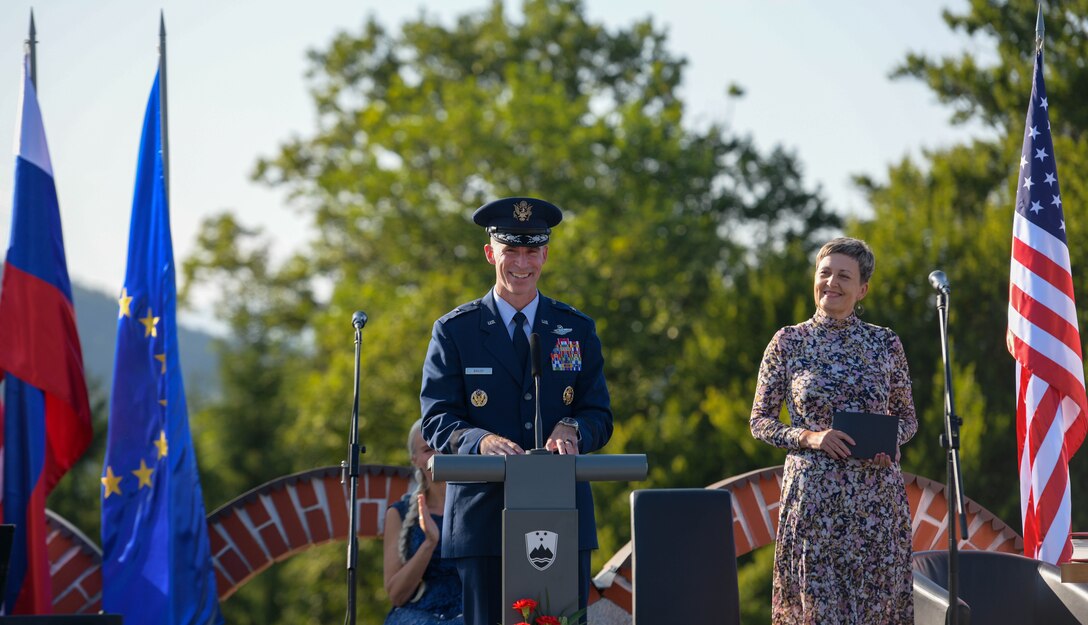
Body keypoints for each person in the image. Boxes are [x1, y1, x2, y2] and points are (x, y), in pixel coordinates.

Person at [420, 196, 613, 625]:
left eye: (532, 251)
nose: (522, 263)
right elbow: (436, 418)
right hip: (483, 520)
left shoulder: (575, 328)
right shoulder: (456, 331)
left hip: (563, 515)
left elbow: (598, 413)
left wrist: (573, 428)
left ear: (545, 254)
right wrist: (480, 440)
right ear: (491, 253)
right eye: (511, 250)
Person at [749, 237, 918, 624]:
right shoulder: (788, 342)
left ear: (862, 289)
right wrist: (810, 437)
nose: (832, 283)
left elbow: (907, 419)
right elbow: (760, 420)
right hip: (814, 505)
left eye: (844, 276)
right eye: (824, 273)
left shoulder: (885, 343)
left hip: (876, 504)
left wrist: (889, 442)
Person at [382, 419, 463, 625]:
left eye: (442, 447)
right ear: (415, 459)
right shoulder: (399, 513)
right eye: (427, 450)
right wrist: (429, 543)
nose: (436, 455)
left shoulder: (477, 506)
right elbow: (397, 595)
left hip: (471, 609)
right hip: (421, 613)